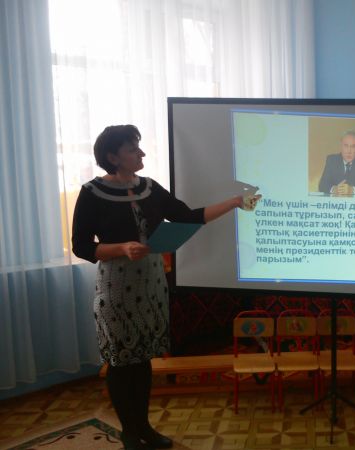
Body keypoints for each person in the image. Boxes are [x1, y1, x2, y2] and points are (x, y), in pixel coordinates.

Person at [72, 125, 260, 450]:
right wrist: (122, 248)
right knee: (121, 361)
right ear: (113, 157)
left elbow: (189, 216)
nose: (142, 154)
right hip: (116, 286)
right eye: (133, 149)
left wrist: (234, 202)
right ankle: (129, 432)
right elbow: (81, 246)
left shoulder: (149, 188)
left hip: (152, 284)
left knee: (143, 358)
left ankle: (144, 427)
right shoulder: (92, 192)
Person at [318, 130, 355, 196]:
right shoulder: (331, 160)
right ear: (341, 146)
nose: (349, 151)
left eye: (353, 146)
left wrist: (352, 190)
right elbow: (322, 185)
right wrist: (334, 189)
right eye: (346, 146)